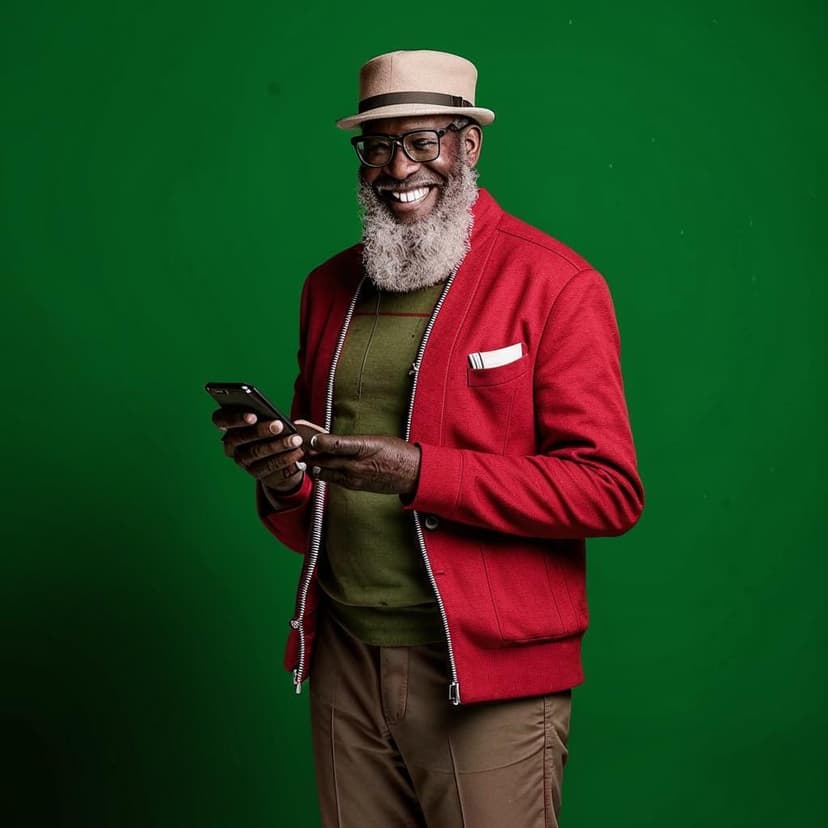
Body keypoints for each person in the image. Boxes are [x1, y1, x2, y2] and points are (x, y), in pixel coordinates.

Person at [212, 49, 644, 828]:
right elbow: (314, 497)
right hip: (344, 657)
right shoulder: (329, 288)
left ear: (468, 146)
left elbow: (608, 491)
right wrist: (282, 476)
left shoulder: (555, 284)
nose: (395, 167)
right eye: (376, 146)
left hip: (487, 674)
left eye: (422, 142)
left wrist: (418, 473)